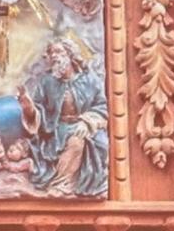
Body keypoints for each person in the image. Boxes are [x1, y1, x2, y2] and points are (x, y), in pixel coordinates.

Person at [16, 39, 108, 196]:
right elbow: (39, 110)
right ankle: (59, 184)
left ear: (71, 55)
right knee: (69, 142)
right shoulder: (47, 81)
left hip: (82, 125)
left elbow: (102, 107)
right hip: (56, 129)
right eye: (51, 53)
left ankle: (63, 185)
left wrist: (87, 122)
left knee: (78, 141)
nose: (54, 57)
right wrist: (28, 106)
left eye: (59, 52)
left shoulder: (90, 80)